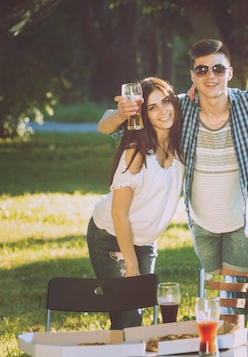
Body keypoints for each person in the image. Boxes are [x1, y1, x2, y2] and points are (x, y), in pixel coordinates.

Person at [97, 39, 248, 327]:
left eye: (217, 68)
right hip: (144, 231)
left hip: (173, 234)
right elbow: (106, 127)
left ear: (230, 71)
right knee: (132, 313)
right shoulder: (157, 131)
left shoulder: (243, 106)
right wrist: (120, 113)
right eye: (201, 70)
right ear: (192, 76)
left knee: (221, 301)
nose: (210, 75)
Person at [87, 77, 184, 329]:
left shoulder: (180, 144)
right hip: (110, 236)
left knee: (135, 311)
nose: (162, 111)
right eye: (152, 107)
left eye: (166, 102)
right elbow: (119, 214)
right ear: (143, 114)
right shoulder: (137, 151)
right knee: (129, 317)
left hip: (145, 241)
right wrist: (131, 265)